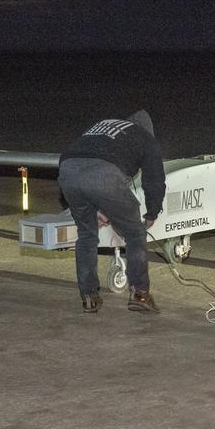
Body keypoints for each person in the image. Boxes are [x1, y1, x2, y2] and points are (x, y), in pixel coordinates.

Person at [57, 110, 165, 314]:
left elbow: (84, 157)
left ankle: (89, 296)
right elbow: (154, 180)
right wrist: (152, 212)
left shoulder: (105, 124)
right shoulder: (145, 138)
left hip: (67, 170)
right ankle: (140, 294)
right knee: (135, 234)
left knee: (87, 236)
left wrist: (93, 206)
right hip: (104, 175)